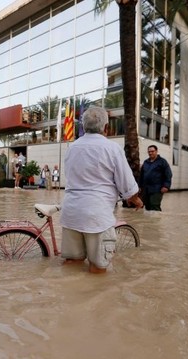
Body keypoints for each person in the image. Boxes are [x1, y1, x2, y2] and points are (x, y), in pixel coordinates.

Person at [60, 106, 143, 274]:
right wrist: (135, 199)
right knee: (98, 268)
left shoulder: (72, 148)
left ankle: (67, 297)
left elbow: (69, 176)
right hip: (96, 216)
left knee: (72, 263)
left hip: (70, 212)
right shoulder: (112, 148)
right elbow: (127, 183)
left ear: (83, 127)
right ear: (105, 127)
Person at [139, 145, 172, 211]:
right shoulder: (146, 162)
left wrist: (166, 186)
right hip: (146, 189)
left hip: (157, 189)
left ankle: (156, 220)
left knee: (154, 205)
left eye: (152, 151)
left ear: (156, 151)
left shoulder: (162, 162)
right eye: (149, 151)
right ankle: (149, 221)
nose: (150, 153)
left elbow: (168, 174)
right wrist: (139, 186)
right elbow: (141, 176)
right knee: (147, 206)